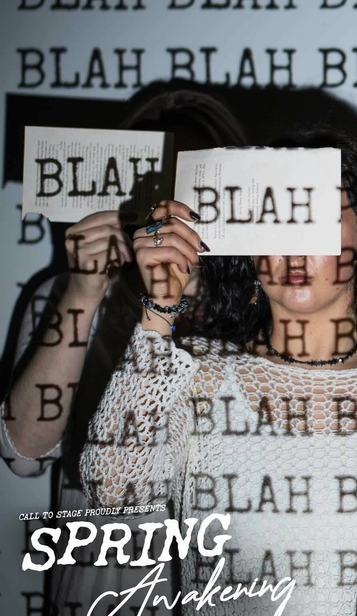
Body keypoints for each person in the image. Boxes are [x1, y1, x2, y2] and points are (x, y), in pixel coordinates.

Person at [78, 130, 357, 616]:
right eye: (274, 220)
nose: (295, 248)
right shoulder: (198, 375)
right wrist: (159, 308)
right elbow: (112, 493)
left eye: (318, 217)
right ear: (244, 242)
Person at [1, 87, 246, 613]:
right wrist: (83, 293)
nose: (168, 206)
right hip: (101, 584)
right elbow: (23, 454)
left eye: (190, 182)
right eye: (152, 184)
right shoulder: (64, 294)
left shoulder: (256, 303)